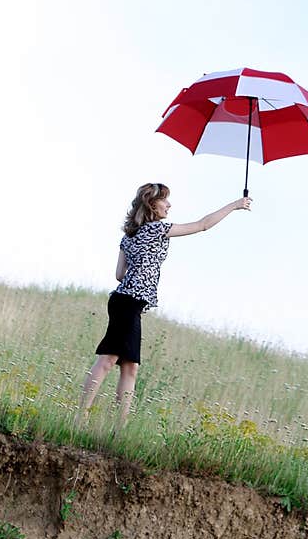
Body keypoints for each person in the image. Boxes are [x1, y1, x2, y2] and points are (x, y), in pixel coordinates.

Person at [75, 182, 252, 428]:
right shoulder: (158, 229)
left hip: (125, 301)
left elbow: (119, 274)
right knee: (108, 360)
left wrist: (141, 269)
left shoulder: (129, 236)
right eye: (164, 200)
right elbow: (202, 225)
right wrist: (235, 205)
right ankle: (79, 418)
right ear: (151, 204)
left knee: (130, 367)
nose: (169, 205)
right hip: (129, 303)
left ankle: (118, 428)